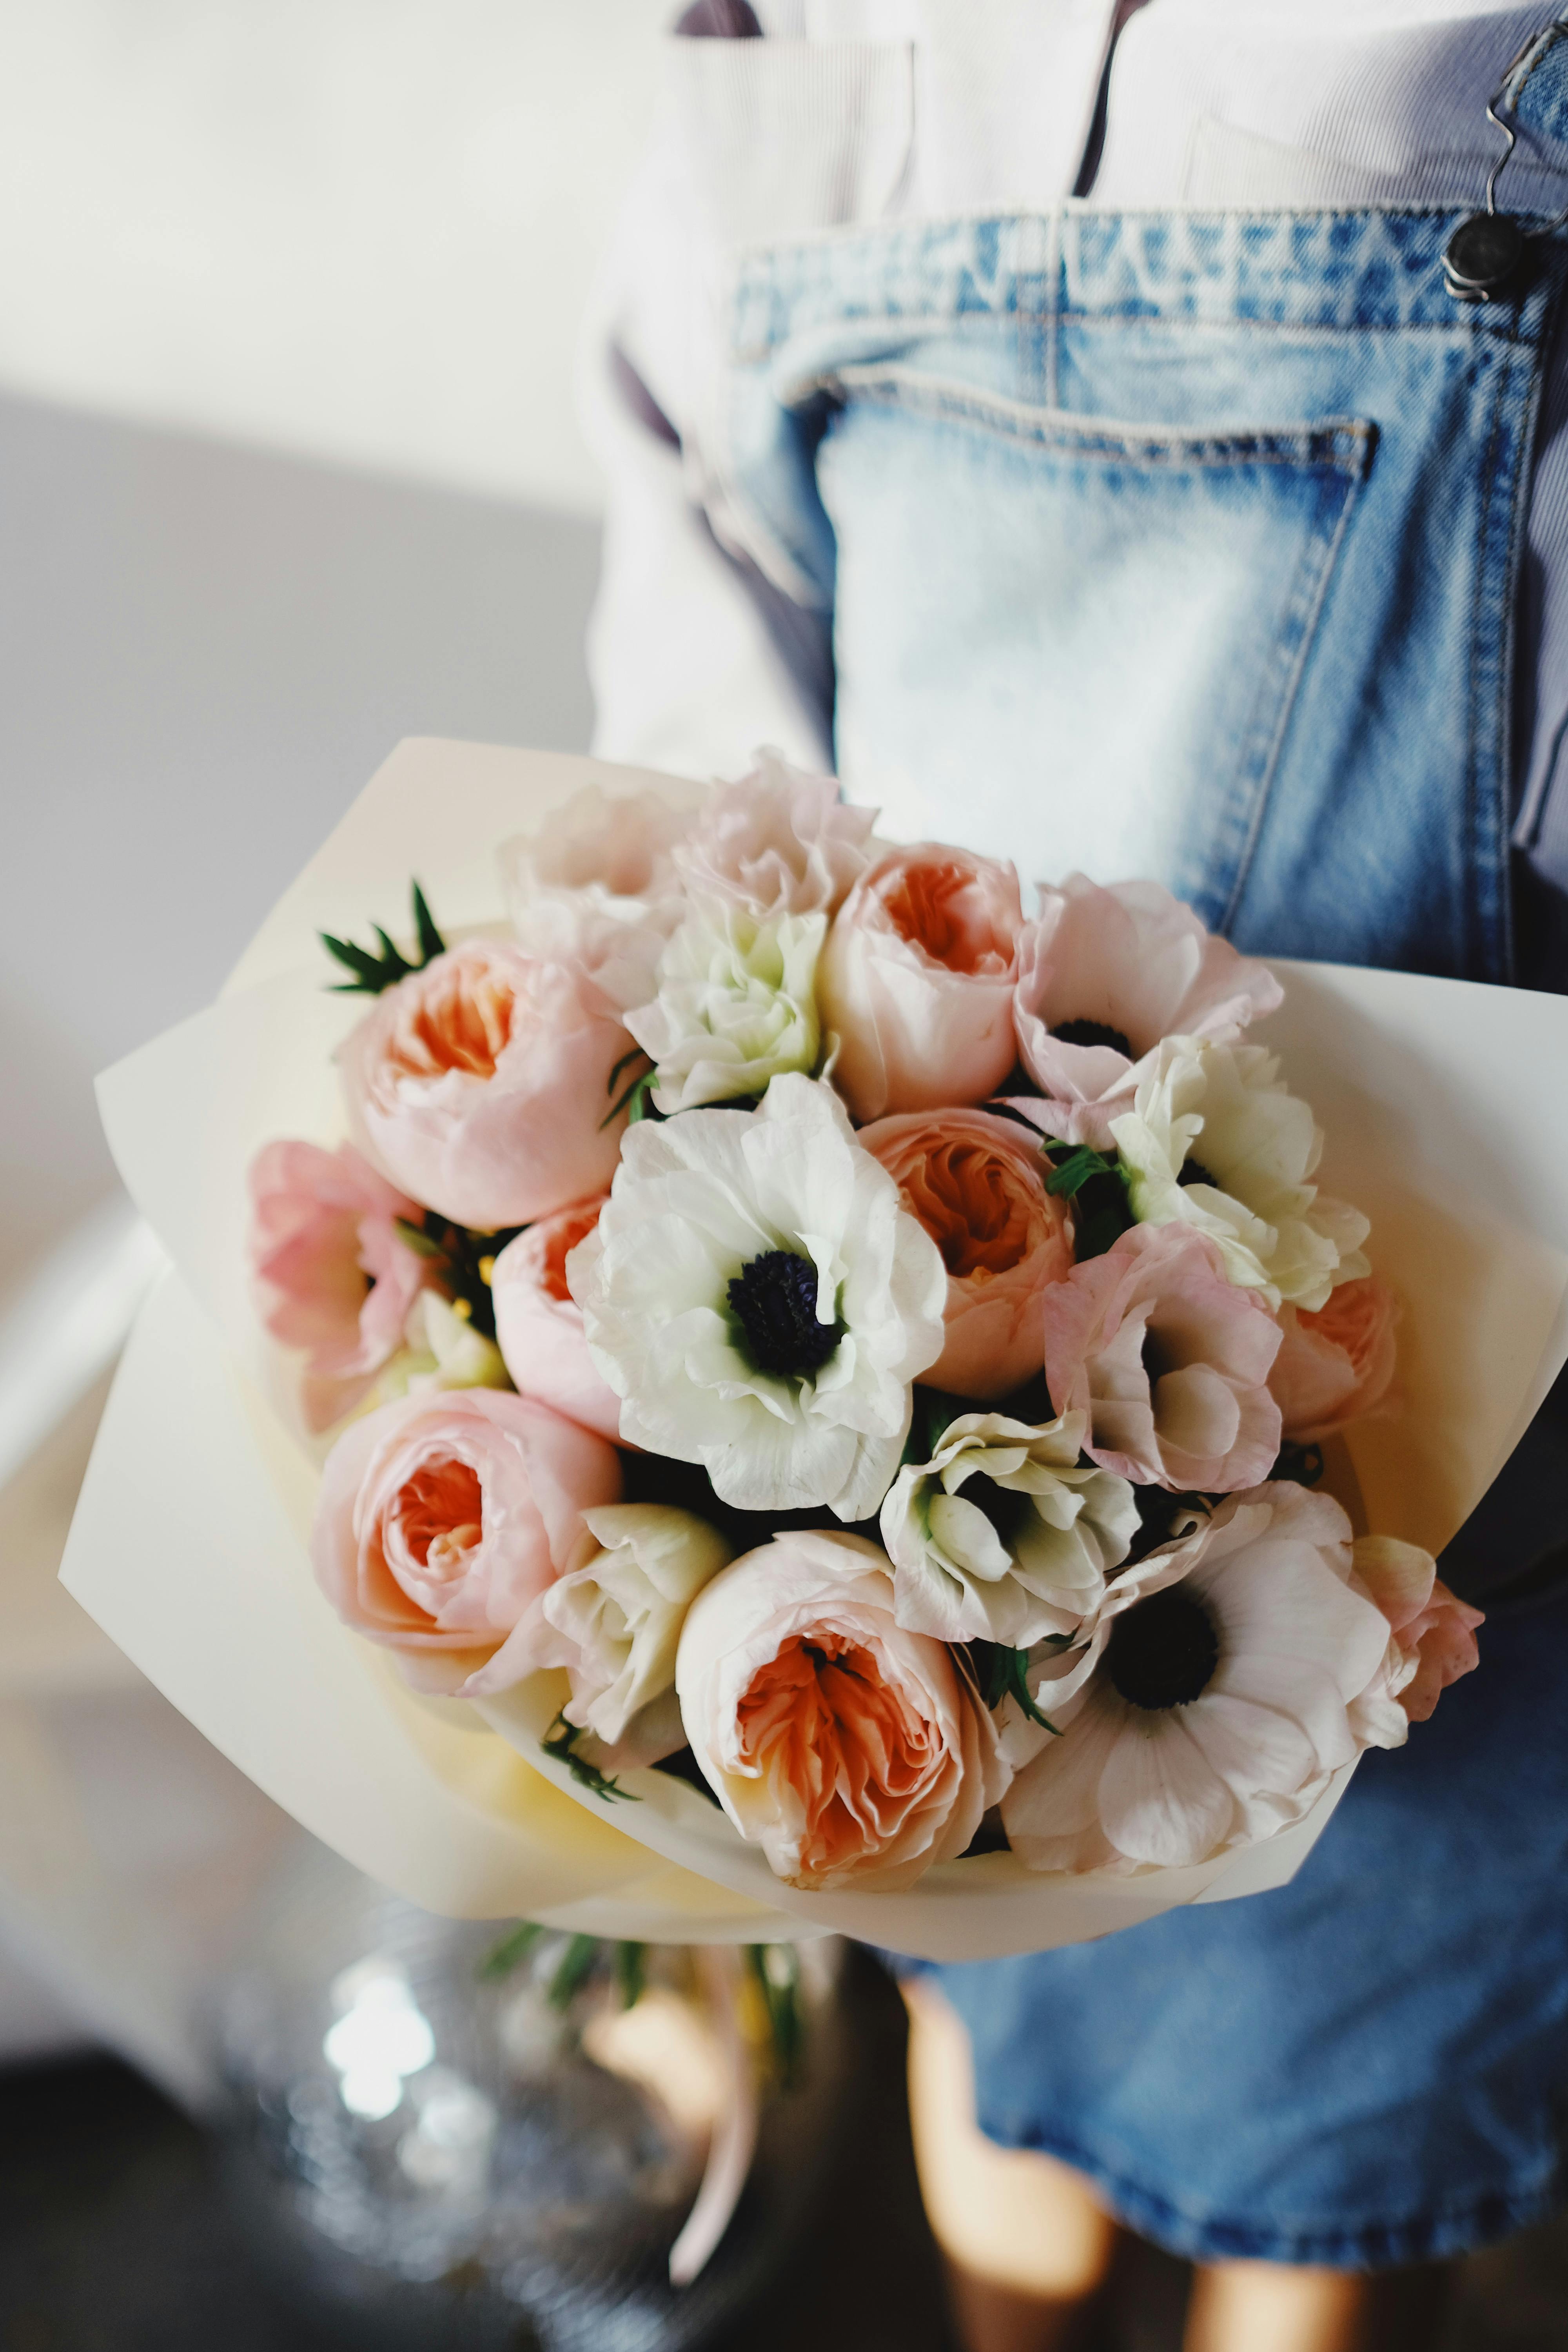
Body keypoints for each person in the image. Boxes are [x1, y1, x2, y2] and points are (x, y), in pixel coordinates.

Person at [583, 5, 1568, 2346]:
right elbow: (702, 531)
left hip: (1443, 1305)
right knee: (981, 1967)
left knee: (1306, 2089)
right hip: (885, 1287)